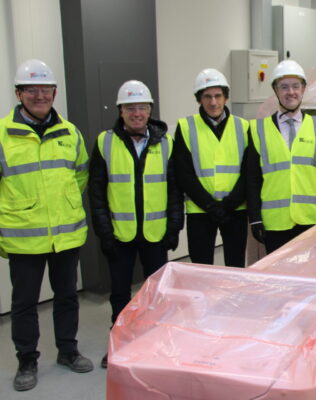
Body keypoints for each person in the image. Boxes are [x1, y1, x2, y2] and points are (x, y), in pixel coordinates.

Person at [0, 59, 93, 391]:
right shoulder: (2, 135)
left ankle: (68, 351)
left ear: (54, 93)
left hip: (65, 234)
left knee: (67, 296)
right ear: (19, 93)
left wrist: (63, 207)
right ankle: (27, 360)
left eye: (45, 90)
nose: (40, 96)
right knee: (24, 303)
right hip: (24, 235)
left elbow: (80, 175)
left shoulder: (70, 132)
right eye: (32, 90)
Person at [88, 80, 184, 368]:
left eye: (141, 107)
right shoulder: (105, 142)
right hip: (120, 234)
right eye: (130, 108)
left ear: (150, 110)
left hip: (155, 233)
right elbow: (96, 192)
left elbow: (174, 190)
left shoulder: (165, 143)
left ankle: (153, 340)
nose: (136, 113)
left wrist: (174, 227)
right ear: (120, 111)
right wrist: (104, 232)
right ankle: (119, 341)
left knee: (156, 291)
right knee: (120, 292)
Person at [246, 59, 316, 254]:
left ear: (303, 89)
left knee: (310, 277)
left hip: (311, 220)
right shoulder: (258, 129)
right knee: (279, 279)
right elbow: (252, 179)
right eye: (284, 87)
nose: (290, 92)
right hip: (274, 223)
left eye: (295, 86)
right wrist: (255, 218)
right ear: (275, 90)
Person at [173, 69, 249, 267]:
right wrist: (210, 205)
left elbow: (248, 172)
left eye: (218, 96)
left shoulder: (243, 127)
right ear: (199, 99)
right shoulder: (186, 127)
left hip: (235, 209)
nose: (213, 102)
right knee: (201, 268)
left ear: (226, 97)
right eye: (207, 96)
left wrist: (229, 204)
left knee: (235, 267)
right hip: (200, 211)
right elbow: (184, 174)